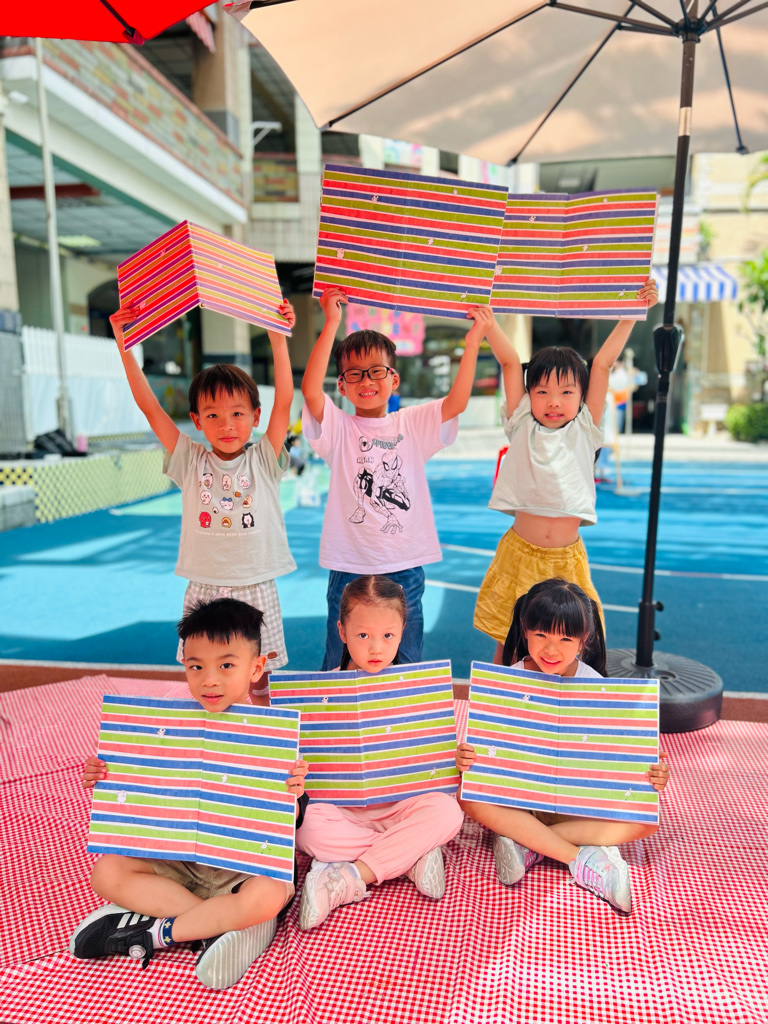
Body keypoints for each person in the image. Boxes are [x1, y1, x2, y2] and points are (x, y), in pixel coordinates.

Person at [72, 598, 309, 989]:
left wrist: (294, 794)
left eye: (226, 665)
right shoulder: (167, 721)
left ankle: (157, 933)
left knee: (268, 895)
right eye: (196, 667)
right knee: (107, 872)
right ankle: (223, 925)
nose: (209, 680)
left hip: (244, 870)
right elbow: (138, 796)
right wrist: (106, 775)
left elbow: (293, 822)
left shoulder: (274, 733)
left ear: (256, 668)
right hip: (182, 862)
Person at [302, 286, 501, 669]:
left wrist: (473, 342)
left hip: (404, 564)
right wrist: (331, 323)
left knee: (406, 663)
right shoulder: (339, 428)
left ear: (394, 379)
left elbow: (456, 402)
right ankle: (334, 710)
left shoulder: (411, 423)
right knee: (339, 662)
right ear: (341, 386)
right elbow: (311, 391)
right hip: (350, 564)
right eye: (355, 374)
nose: (366, 381)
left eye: (376, 371)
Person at [457, 578, 670, 914]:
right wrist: (468, 756)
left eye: (565, 639)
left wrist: (651, 771)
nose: (551, 650)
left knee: (648, 820)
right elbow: (486, 751)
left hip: (575, 804)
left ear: (584, 640)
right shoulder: (508, 681)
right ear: (525, 630)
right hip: (521, 801)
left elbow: (624, 758)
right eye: (541, 635)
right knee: (466, 796)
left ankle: (529, 843)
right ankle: (579, 858)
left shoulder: (596, 687)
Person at [110, 301, 297, 680]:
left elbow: (284, 402)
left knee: (259, 674)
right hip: (205, 587)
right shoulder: (189, 460)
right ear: (196, 420)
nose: (226, 425)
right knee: (205, 670)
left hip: (255, 583)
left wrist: (278, 340)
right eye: (213, 415)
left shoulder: (264, 458)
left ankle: (261, 716)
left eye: (237, 414)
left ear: (255, 417)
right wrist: (124, 344)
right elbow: (150, 408)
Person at [474, 279, 658, 662]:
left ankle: (563, 701)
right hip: (519, 554)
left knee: (571, 646)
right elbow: (509, 362)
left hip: (566, 558)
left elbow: (602, 363)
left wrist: (631, 315)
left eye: (566, 392)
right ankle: (500, 697)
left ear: (582, 395)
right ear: (529, 395)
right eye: (542, 391)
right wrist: (489, 325)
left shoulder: (586, 427)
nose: (553, 402)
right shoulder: (521, 421)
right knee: (510, 640)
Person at [295, 575, 465, 930]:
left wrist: (456, 759)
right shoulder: (318, 692)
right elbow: (307, 769)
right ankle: (410, 856)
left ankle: (353, 874)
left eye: (388, 636)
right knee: (302, 828)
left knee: (449, 812)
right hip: (343, 811)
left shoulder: (419, 688)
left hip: (402, 806)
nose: (376, 648)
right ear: (342, 632)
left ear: (403, 632)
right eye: (363, 636)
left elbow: (435, 762)